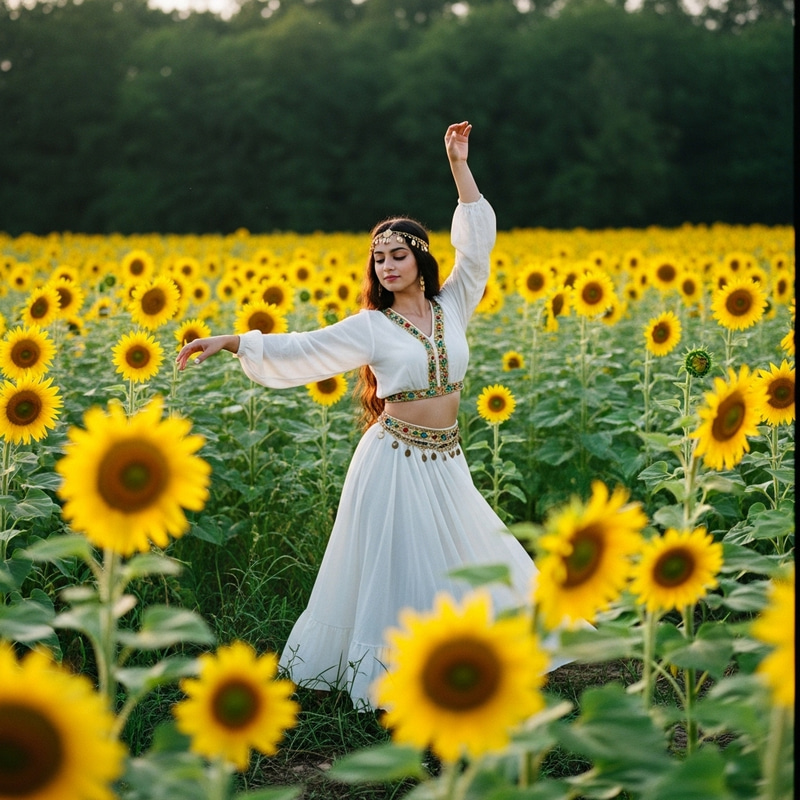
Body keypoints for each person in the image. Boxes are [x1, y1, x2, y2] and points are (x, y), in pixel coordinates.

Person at [176, 121, 549, 709]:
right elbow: (303, 347)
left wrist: (457, 164)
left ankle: (469, 660)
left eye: (397, 255)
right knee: (399, 572)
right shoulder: (370, 326)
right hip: (392, 457)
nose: (386, 266)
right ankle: (395, 681)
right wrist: (234, 341)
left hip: (446, 459)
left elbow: (476, 242)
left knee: (469, 553)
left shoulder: (454, 302)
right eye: (378, 259)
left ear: (420, 259)